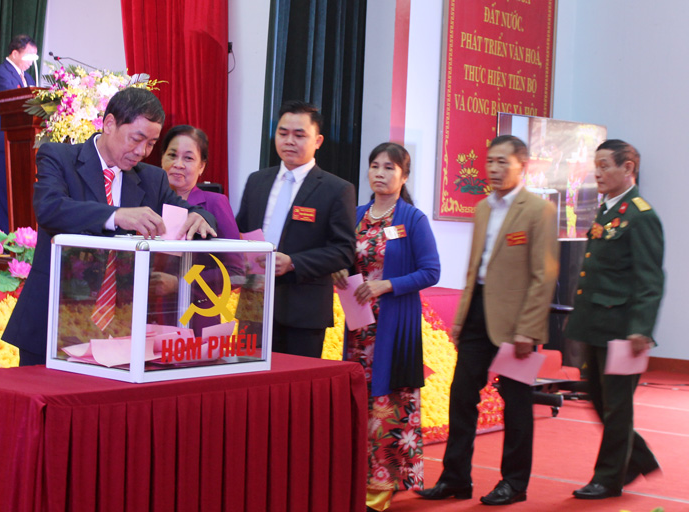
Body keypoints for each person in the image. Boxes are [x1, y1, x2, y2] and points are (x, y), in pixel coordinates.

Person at [2, 88, 217, 366]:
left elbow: (194, 212)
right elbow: (50, 209)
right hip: (54, 320)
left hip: (121, 330)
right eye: (136, 139)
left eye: (151, 144)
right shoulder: (59, 157)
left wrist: (202, 218)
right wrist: (116, 216)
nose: (142, 152)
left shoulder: (152, 179)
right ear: (110, 124)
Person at [417, 135, 559, 505]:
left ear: (522, 165)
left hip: (516, 324)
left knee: (517, 403)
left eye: (502, 162)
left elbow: (544, 275)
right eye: (490, 161)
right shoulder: (482, 208)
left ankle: (514, 483)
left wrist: (528, 329)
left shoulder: (538, 210)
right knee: (462, 396)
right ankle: (455, 479)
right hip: (478, 315)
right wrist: (461, 319)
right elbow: (474, 270)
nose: (494, 169)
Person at [333, 142, 440, 512]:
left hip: (394, 328)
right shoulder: (356, 215)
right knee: (359, 402)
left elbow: (431, 271)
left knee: (388, 404)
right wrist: (338, 271)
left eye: (389, 167)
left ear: (404, 176)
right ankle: (354, 479)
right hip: (359, 328)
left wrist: (386, 285)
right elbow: (342, 256)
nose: (380, 173)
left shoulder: (412, 219)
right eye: (375, 166)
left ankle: (381, 487)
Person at [566, 139, 664, 500]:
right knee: (596, 397)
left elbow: (650, 278)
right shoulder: (607, 211)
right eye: (596, 165)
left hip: (622, 330)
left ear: (628, 168)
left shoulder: (640, 215)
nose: (597, 173)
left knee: (617, 405)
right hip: (595, 325)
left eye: (605, 165)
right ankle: (637, 457)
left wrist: (641, 328)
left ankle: (608, 479)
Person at [236, 100, 356, 357]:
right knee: (248, 375)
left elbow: (343, 251)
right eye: (283, 133)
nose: (289, 141)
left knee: (296, 380)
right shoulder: (257, 181)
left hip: (304, 311)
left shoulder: (336, 189)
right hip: (254, 305)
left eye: (299, 135)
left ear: (318, 141)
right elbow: (240, 231)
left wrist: (293, 263)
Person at [159, 124, 244, 333]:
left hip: (197, 317)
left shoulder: (215, 203)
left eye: (188, 158)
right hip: (151, 316)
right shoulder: (149, 202)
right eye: (172, 155)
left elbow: (235, 273)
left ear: (201, 166)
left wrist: (180, 283)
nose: (178, 164)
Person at [0, 34, 38, 233]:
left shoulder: (29, 78)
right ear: (15, 53)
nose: (31, 62)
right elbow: (15, 101)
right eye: (28, 56)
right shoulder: (1, 74)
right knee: (5, 192)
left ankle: (23, 237)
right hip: (5, 142)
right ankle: (6, 238)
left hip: (24, 142)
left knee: (22, 192)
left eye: (34, 58)